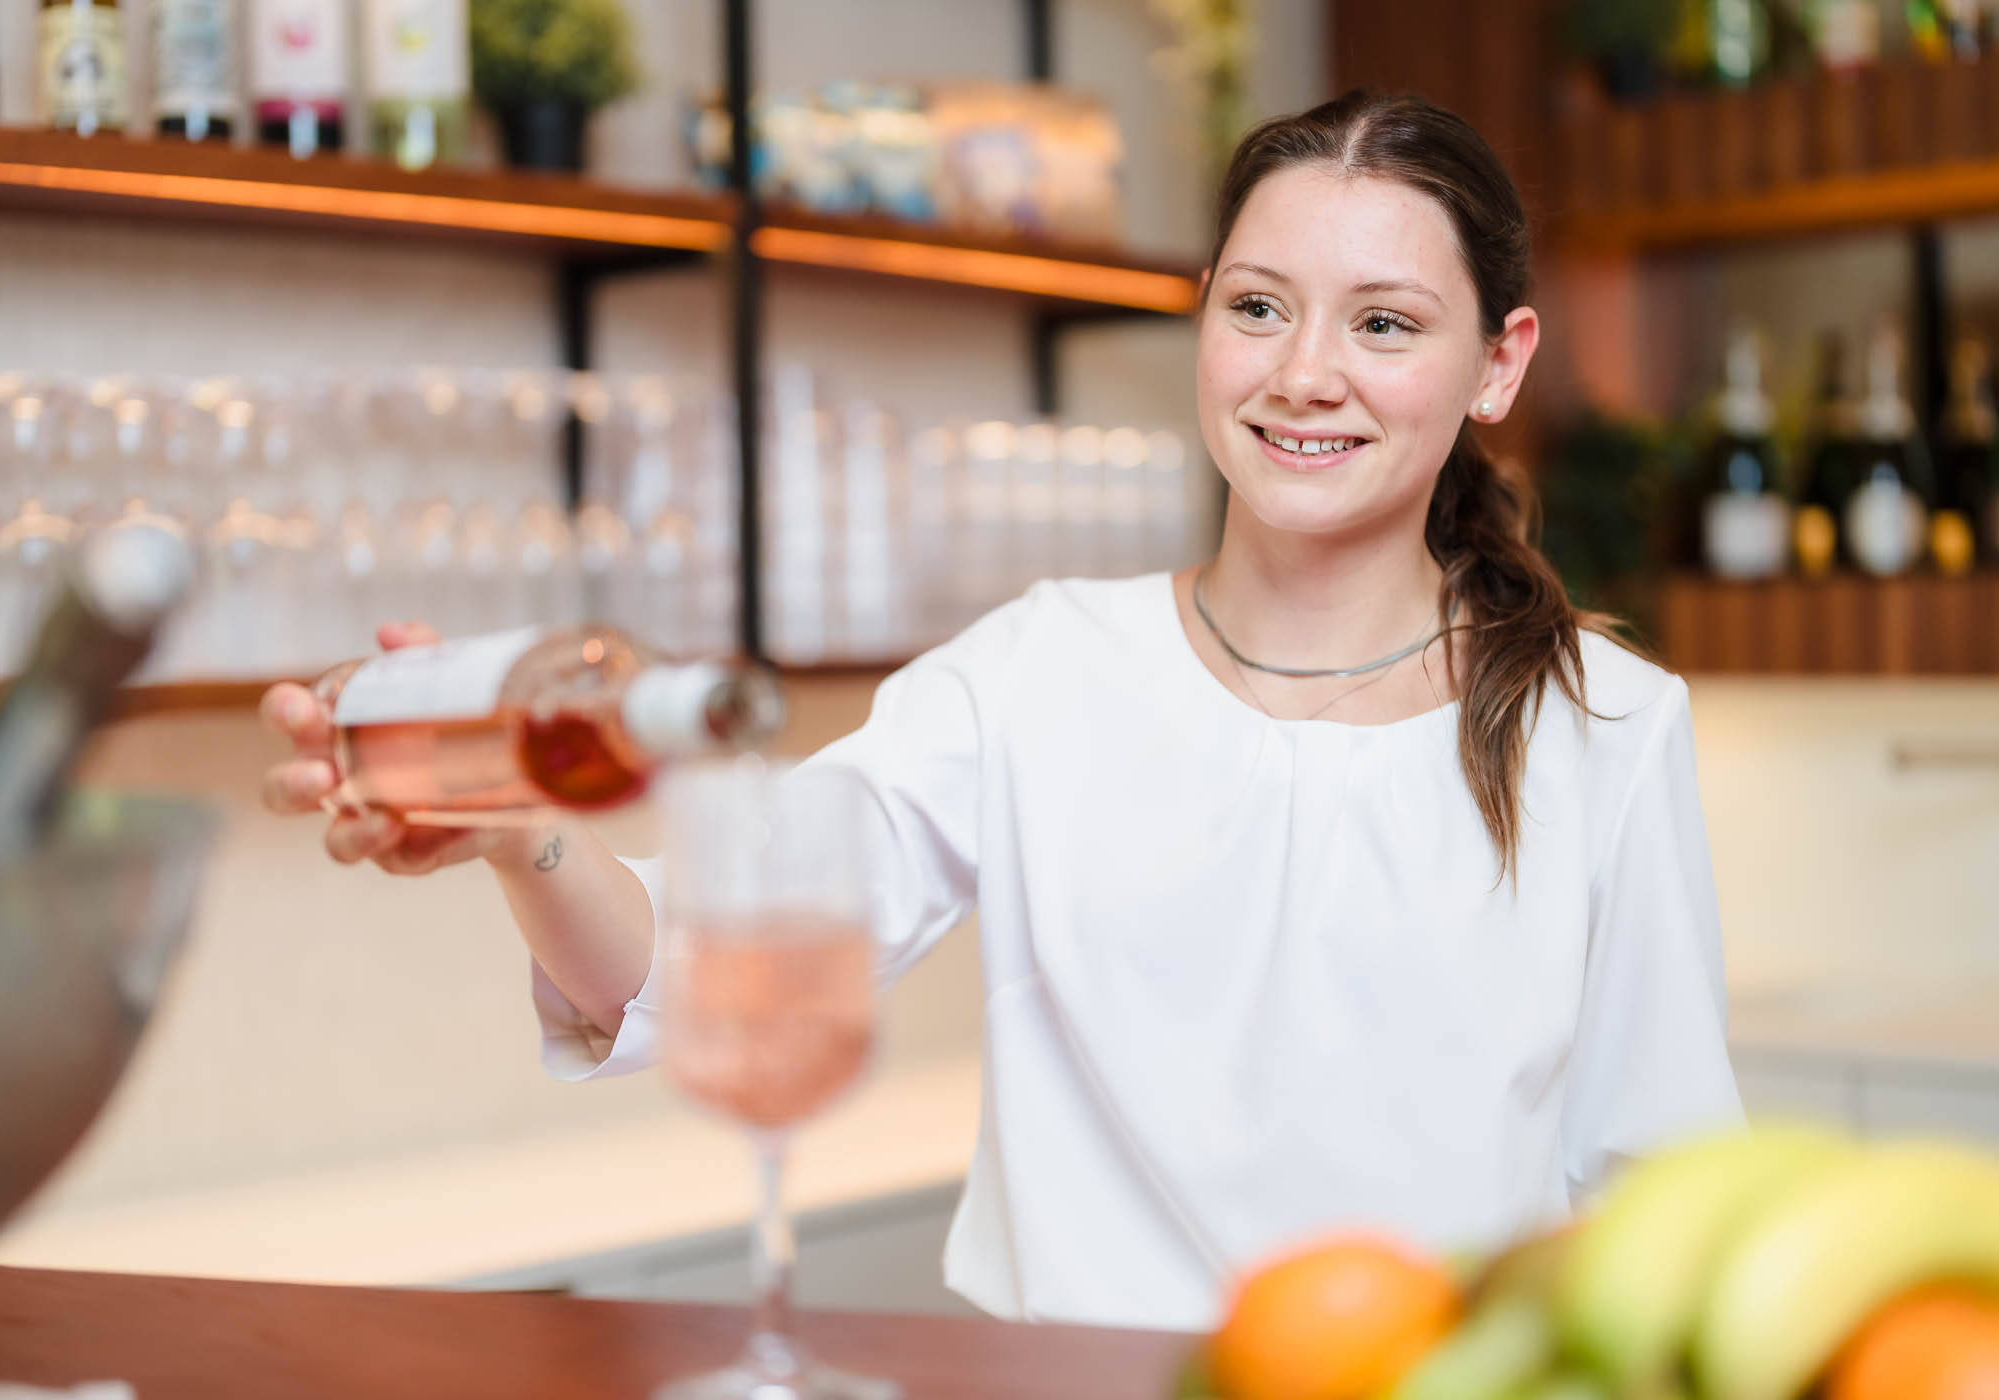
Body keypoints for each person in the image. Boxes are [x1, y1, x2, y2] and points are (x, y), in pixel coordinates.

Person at [258, 90, 1743, 1333]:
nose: (1306, 374)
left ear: (1498, 364)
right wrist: (521, 828)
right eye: (1258, 307)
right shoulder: (1040, 671)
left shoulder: (1609, 725)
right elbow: (707, 960)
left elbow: (1667, 1199)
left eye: (1386, 325)